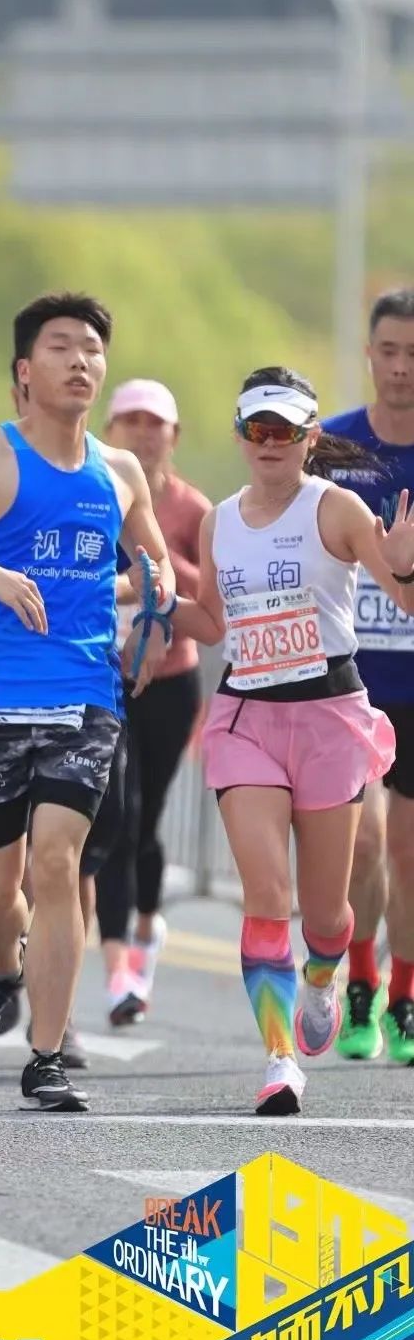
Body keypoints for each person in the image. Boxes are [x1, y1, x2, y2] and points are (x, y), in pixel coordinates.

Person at [0, 293, 174, 1112]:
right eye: (60, 347)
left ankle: (44, 1054)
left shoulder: (120, 471)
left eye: (90, 349)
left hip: (85, 694)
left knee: (57, 863)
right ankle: (4, 971)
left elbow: (154, 562)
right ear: (23, 370)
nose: (79, 361)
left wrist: (157, 592)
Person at [171, 367, 414, 1114]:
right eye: (257, 429)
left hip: (328, 718)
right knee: (265, 895)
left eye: (285, 430)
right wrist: (159, 604)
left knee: (327, 914)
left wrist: (403, 557)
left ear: (310, 438)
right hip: (247, 715)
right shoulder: (219, 521)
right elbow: (213, 624)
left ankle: (322, 978)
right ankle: (279, 1061)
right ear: (242, 436)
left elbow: (403, 595)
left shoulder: (334, 508)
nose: (270, 443)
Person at [96, 379, 210, 1023]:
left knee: (146, 820)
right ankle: (119, 973)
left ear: (174, 435)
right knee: (118, 813)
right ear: (111, 430)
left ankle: (147, 929)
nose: (143, 431)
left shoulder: (193, 511)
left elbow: (214, 593)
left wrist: (163, 568)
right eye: (130, 420)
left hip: (171, 681)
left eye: (155, 422)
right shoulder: (94, 492)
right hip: (104, 677)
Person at [322, 289, 414, 1063]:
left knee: (409, 851)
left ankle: (403, 997)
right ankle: (359, 986)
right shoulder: (335, 446)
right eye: (389, 351)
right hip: (351, 677)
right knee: (365, 843)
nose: (401, 368)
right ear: (370, 353)